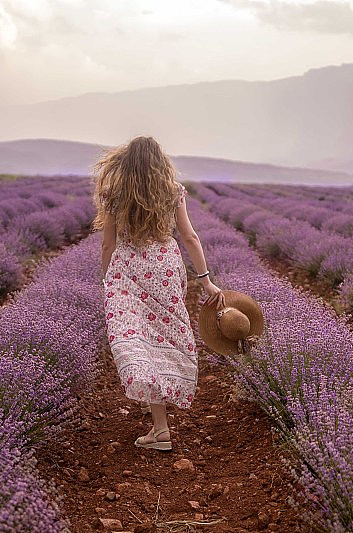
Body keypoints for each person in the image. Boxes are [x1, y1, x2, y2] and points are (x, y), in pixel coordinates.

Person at [92, 135, 221, 451]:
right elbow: (190, 237)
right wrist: (205, 280)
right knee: (163, 336)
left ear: (125, 163)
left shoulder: (114, 195)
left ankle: (155, 411)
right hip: (164, 268)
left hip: (127, 270)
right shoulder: (173, 192)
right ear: (159, 163)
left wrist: (107, 278)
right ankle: (157, 417)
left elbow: (108, 244)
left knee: (132, 335)